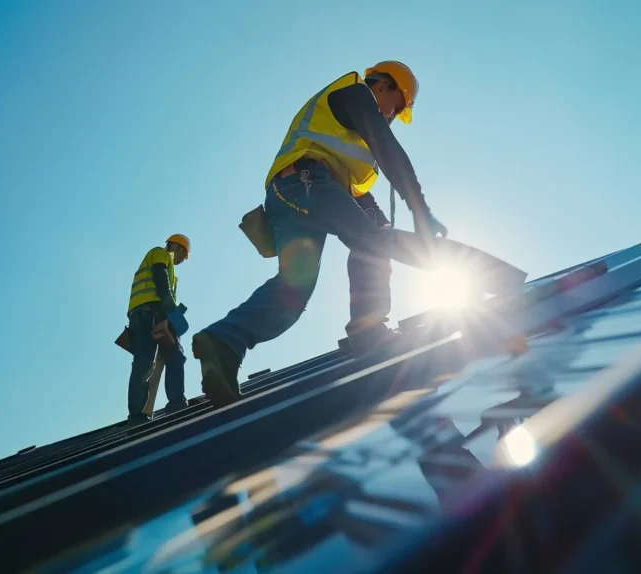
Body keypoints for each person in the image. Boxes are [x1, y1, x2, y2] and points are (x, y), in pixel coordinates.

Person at [191, 61, 449, 407]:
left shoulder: (351, 141)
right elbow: (387, 147)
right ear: (382, 85)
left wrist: (382, 225)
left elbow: (356, 195)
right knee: (371, 243)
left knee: (294, 291)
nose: (392, 116)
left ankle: (224, 341)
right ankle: (369, 330)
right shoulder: (354, 94)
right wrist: (420, 210)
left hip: (296, 192)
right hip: (306, 181)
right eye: (396, 107)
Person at [125, 233, 191, 424]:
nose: (181, 261)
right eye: (183, 256)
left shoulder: (167, 268)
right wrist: (171, 313)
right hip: (153, 313)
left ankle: (136, 417)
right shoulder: (161, 254)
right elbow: (160, 279)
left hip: (138, 315)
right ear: (178, 248)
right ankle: (177, 404)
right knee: (175, 355)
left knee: (143, 364)